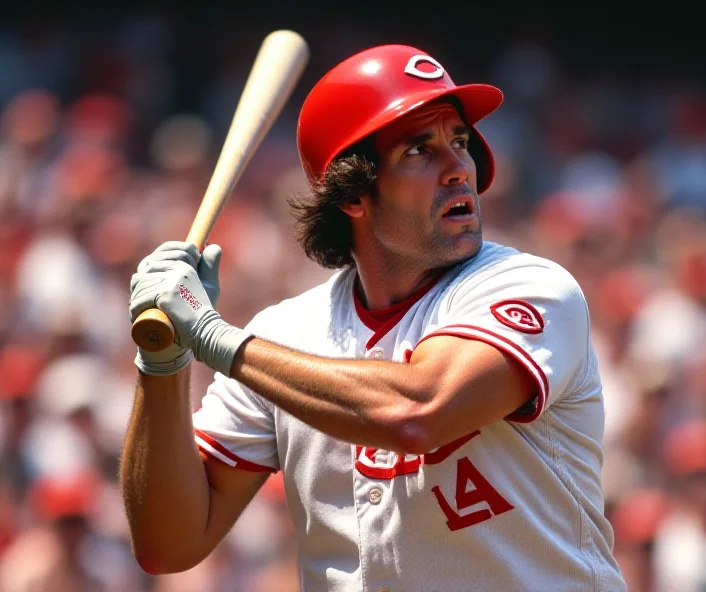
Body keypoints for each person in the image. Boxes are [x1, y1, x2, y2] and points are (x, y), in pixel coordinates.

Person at [120, 44, 627, 591]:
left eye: (458, 141)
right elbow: (167, 544)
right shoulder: (286, 336)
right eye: (419, 150)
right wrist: (164, 362)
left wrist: (221, 343)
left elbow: (419, 411)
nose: (460, 168)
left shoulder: (529, 286)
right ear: (354, 192)